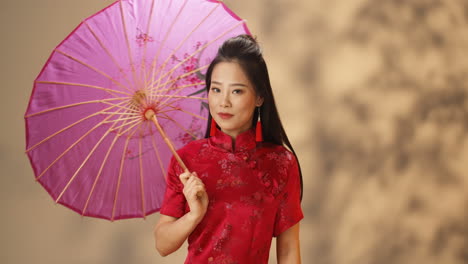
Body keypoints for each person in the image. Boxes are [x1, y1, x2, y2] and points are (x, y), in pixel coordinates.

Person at [153, 34, 303, 264]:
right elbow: (162, 245)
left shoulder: (281, 163)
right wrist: (194, 216)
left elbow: (289, 251)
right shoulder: (187, 161)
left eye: (237, 91)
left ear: (260, 97)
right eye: (215, 90)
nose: (223, 102)